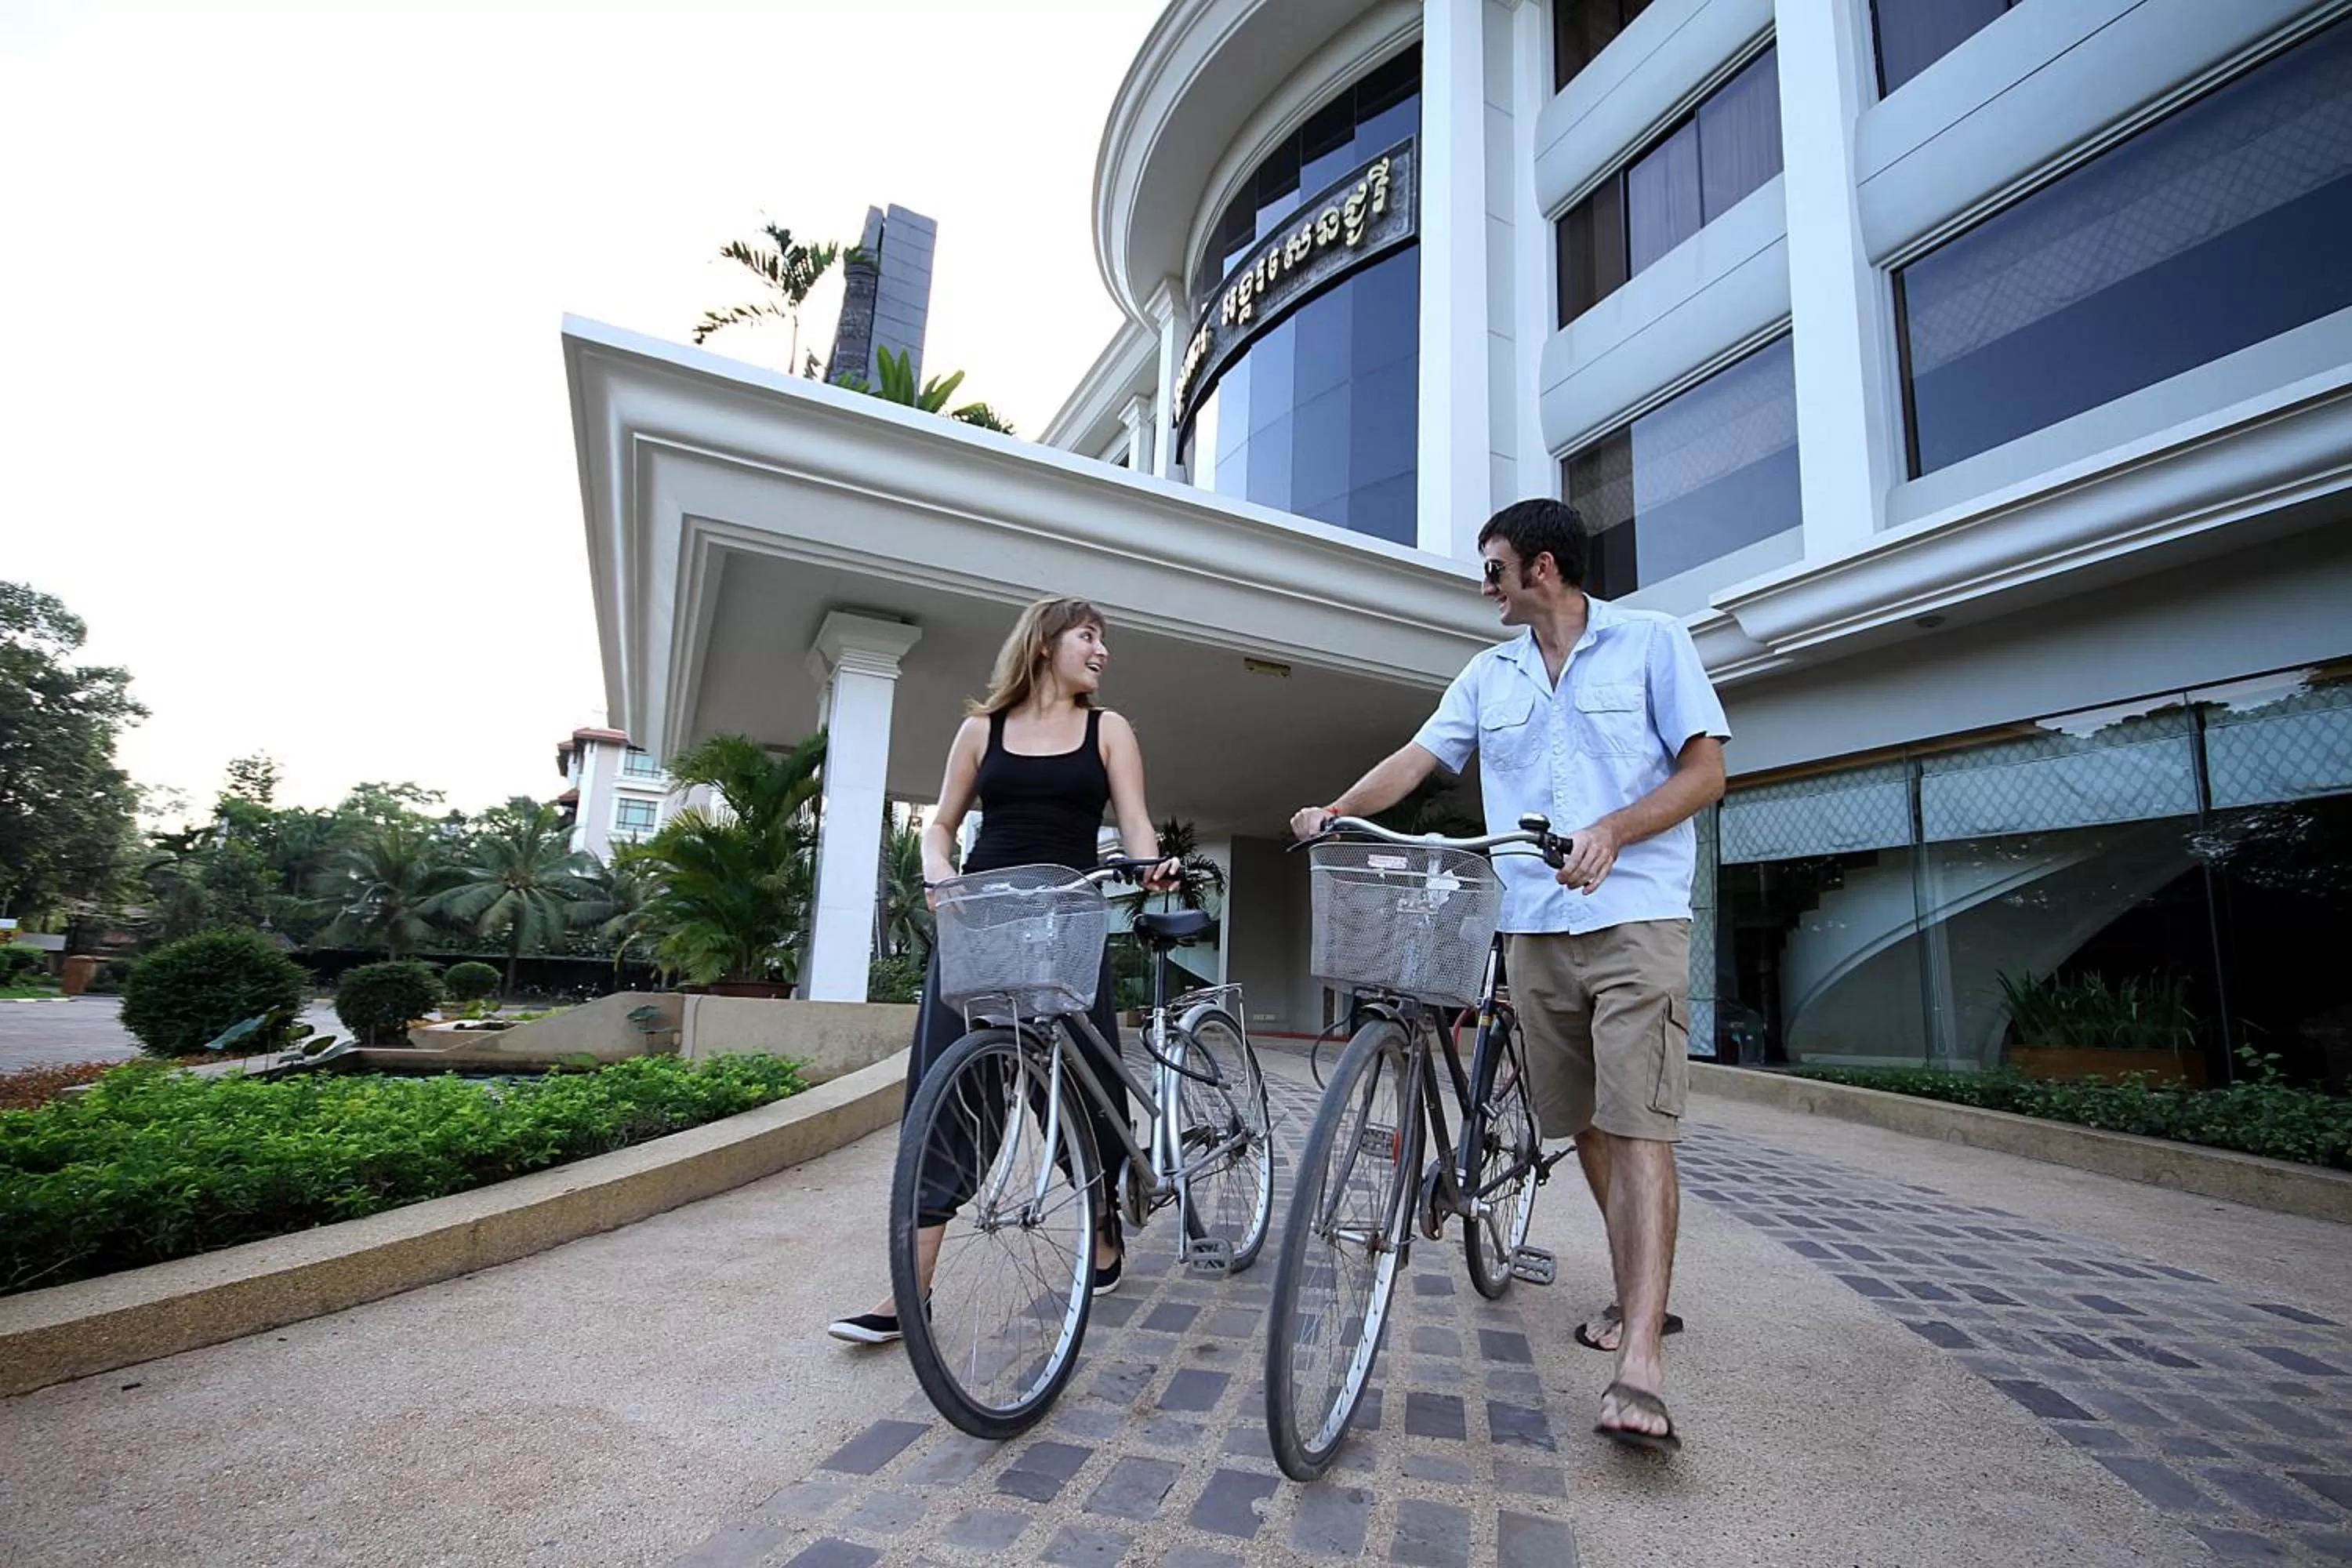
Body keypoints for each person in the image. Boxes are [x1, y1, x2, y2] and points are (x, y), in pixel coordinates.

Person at [1288, 498, 1727, 1451]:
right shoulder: (1491, 674)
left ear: (1541, 568)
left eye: (1492, 568)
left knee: (1640, 1122)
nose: (1483, 585)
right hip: (1531, 922)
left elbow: (1706, 773)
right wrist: (1337, 806)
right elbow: (1421, 756)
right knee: (1583, 1124)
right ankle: (1630, 1288)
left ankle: (1641, 1360)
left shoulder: (1653, 642)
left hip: (1636, 914)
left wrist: (1615, 828)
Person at [829, 596, 1180, 1345]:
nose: (1102, 651)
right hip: (981, 922)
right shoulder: (980, 731)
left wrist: (1151, 868)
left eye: (1104, 639)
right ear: (1047, 642)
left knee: (1086, 1094)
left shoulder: (1108, 730)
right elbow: (942, 825)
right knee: (947, 1090)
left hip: (1067, 925)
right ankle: (908, 1294)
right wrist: (936, 871)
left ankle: (1103, 1225)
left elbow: (1136, 824)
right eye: (1089, 636)